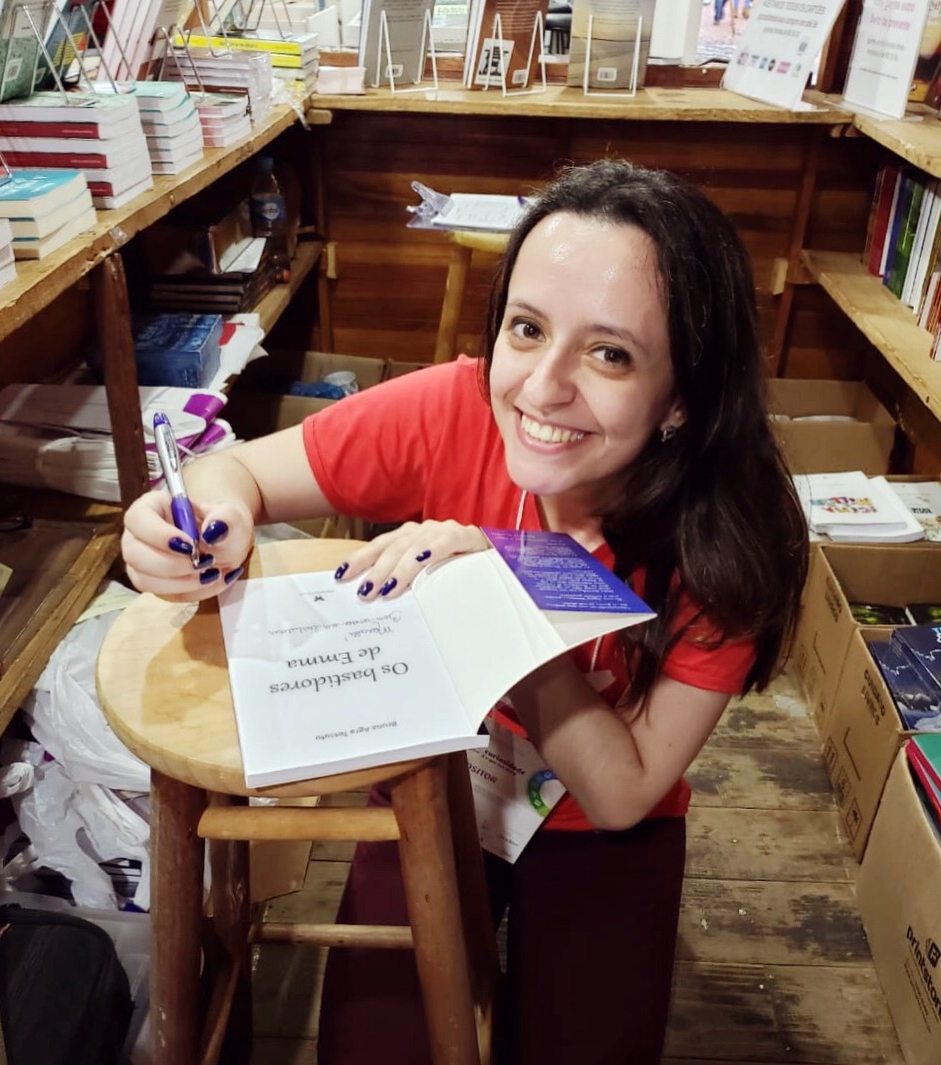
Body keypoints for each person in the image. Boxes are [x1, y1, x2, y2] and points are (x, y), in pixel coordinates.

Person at [121, 158, 808, 1065]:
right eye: (527, 328)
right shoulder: (457, 406)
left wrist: (502, 599)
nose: (542, 387)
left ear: (682, 394)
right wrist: (199, 521)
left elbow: (621, 792)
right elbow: (235, 468)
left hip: (594, 818)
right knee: (372, 1049)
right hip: (441, 769)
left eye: (609, 353)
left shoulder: (731, 536)